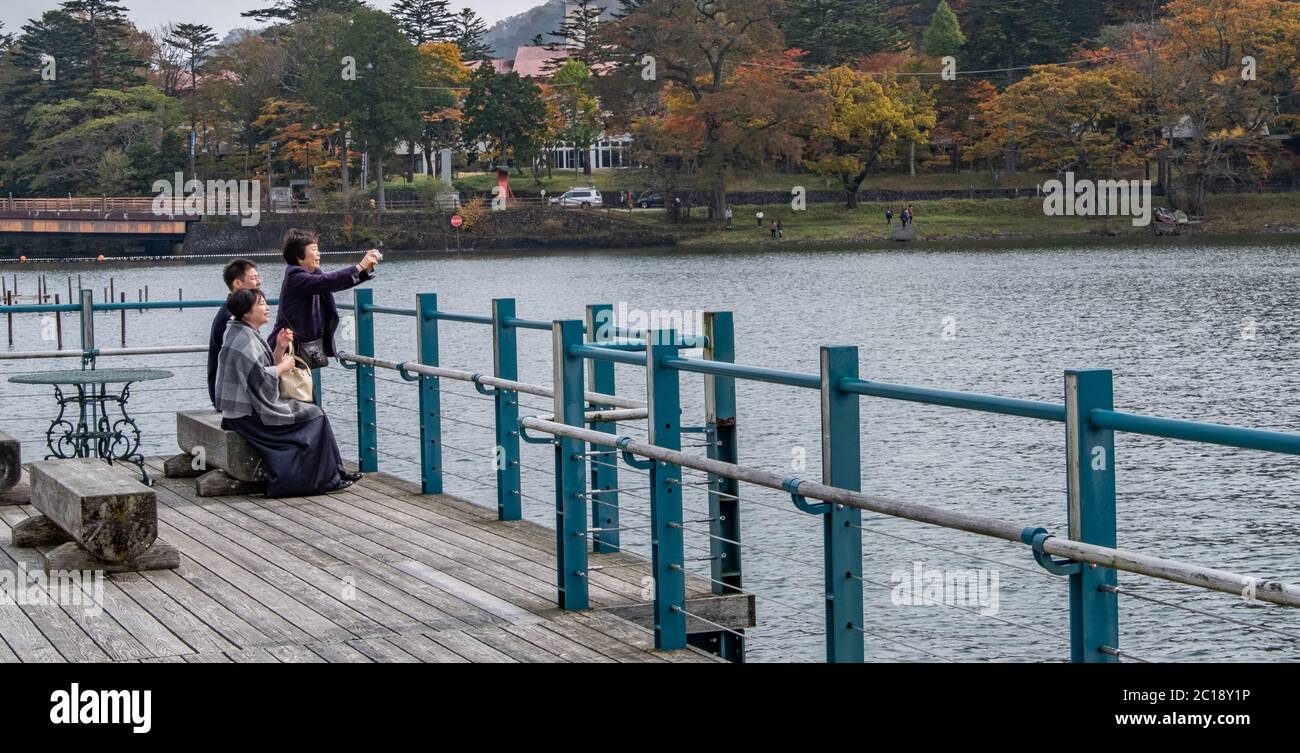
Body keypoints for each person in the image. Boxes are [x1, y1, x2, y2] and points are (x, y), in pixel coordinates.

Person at [214, 288, 357, 497]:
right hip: (248, 415)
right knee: (315, 415)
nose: (267, 307)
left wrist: (280, 349)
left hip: (244, 410)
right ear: (246, 313)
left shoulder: (242, 332)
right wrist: (282, 367)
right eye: (261, 303)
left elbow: (257, 371)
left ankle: (335, 473)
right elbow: (259, 379)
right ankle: (330, 476)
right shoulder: (244, 339)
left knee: (316, 413)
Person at [268, 229, 379, 369]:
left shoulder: (312, 273)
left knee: (301, 388)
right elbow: (327, 282)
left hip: (301, 351)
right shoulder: (295, 277)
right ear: (299, 256)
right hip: (287, 350)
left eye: (317, 249)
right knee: (291, 389)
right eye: (314, 249)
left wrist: (365, 270)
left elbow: (332, 283)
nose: (318, 253)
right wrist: (360, 267)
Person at [208, 259, 261, 407]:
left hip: (231, 393)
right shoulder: (231, 318)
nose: (259, 282)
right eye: (253, 278)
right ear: (237, 283)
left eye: (258, 277)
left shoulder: (234, 312)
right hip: (230, 397)